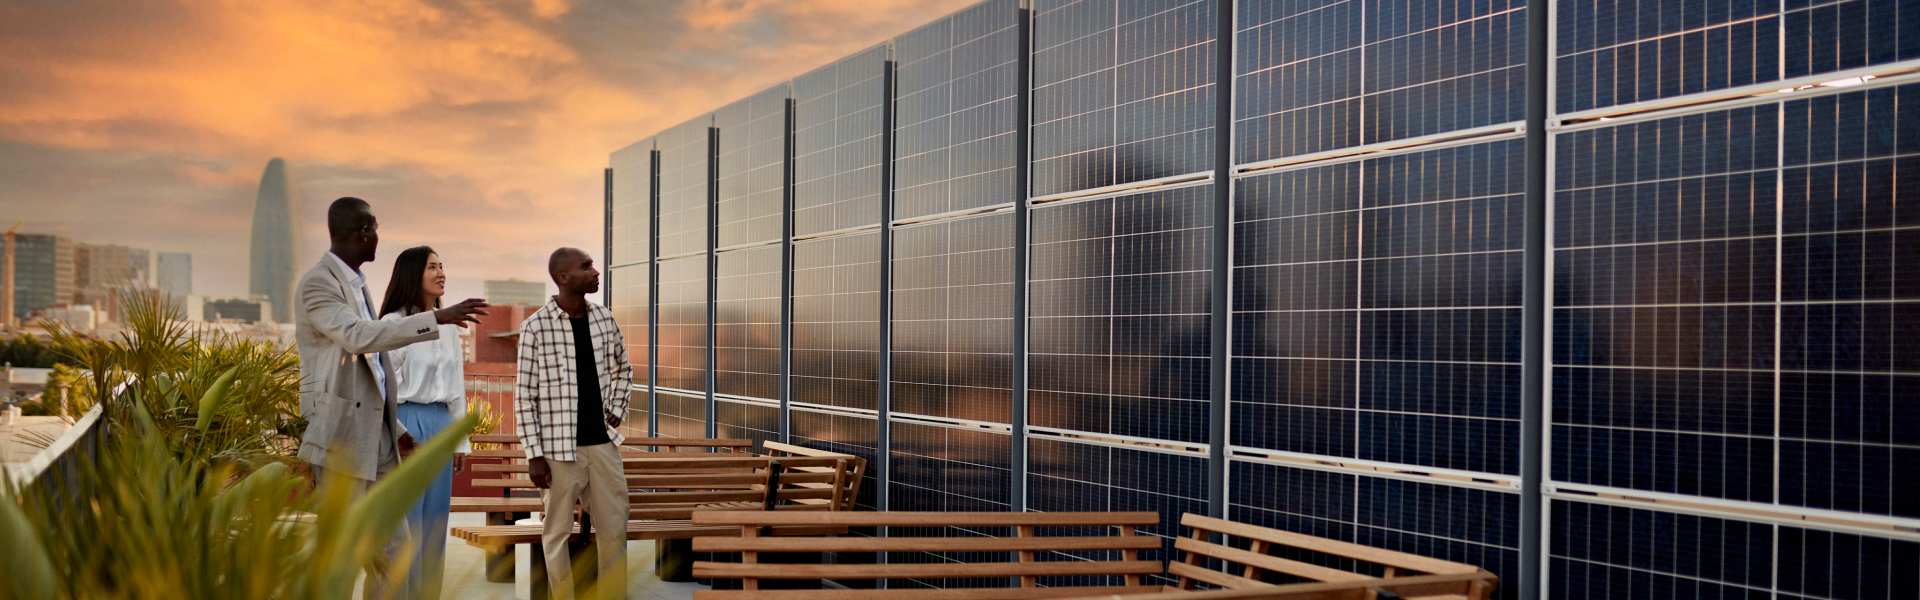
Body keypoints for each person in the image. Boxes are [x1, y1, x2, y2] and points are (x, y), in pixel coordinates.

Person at [295, 197, 488, 598]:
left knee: (396, 552)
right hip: (341, 439)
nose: (378, 236)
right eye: (374, 228)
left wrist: (395, 428)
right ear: (362, 231)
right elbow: (356, 338)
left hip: (381, 436)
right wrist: (435, 317)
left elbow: (377, 376)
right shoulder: (318, 283)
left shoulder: (356, 285)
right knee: (343, 555)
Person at [514, 247, 632, 600]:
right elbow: (524, 397)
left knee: (614, 531)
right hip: (557, 453)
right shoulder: (535, 327)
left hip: (603, 447)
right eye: (586, 267)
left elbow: (623, 370)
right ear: (563, 278)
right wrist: (534, 455)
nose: (595, 272)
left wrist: (616, 408)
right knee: (556, 535)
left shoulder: (604, 319)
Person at [379, 246, 472, 600]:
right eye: (432, 266)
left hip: (440, 425)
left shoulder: (448, 327)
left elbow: (457, 389)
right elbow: (385, 384)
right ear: (412, 274)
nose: (441, 272)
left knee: (434, 522)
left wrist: (459, 441)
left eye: (442, 266)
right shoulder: (393, 323)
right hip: (405, 423)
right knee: (406, 523)